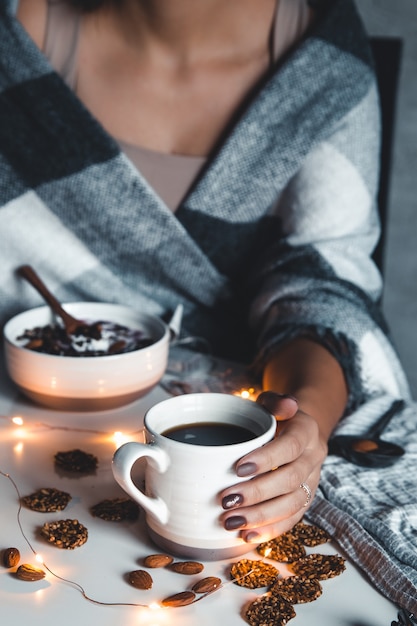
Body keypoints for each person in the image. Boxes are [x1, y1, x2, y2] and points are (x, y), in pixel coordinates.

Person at [0, 0, 411, 548]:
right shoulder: (18, 38)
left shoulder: (326, 65)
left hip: (221, 448)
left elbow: (323, 289)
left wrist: (300, 428)